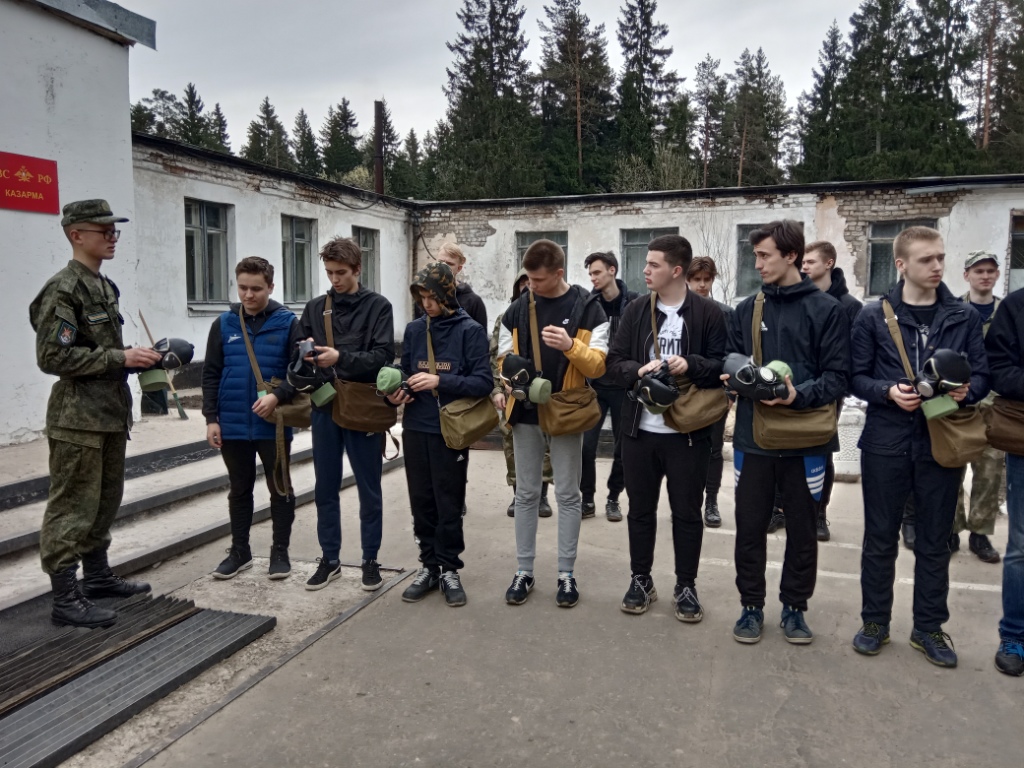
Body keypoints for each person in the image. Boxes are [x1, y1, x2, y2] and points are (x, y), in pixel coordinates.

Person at [850, 226, 988, 668]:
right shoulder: (873, 316)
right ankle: (875, 622)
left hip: (941, 442)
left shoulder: (964, 317)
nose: (937, 266)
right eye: (927, 259)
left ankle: (928, 628)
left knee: (934, 540)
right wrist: (887, 391)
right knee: (879, 538)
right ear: (902, 264)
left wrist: (967, 391)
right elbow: (856, 376)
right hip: (885, 442)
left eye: (941, 257)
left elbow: (983, 374)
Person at [29, 199, 162, 628]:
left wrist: (138, 358)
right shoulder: (64, 289)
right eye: (103, 231)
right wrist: (120, 357)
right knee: (72, 507)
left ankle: (98, 576)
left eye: (114, 230)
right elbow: (52, 357)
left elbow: (102, 351)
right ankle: (65, 598)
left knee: (104, 502)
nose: (112, 237)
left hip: (108, 413)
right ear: (76, 235)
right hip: (77, 420)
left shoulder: (104, 286)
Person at [724, 220, 850, 646]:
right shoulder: (746, 309)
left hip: (809, 441)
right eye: (755, 255)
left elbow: (838, 378)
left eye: (765, 255)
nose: (757, 264)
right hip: (752, 440)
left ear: (791, 255)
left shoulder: (827, 310)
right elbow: (728, 359)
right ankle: (751, 606)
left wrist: (796, 395)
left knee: (803, 530)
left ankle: (795, 608)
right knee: (749, 528)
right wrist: (732, 378)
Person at [607, 235, 726, 620]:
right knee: (640, 510)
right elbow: (614, 362)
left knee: (687, 513)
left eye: (653, 264)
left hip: (688, 433)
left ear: (676, 270)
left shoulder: (708, 313)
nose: (645, 270)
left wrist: (690, 364)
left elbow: (722, 366)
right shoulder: (636, 310)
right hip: (640, 431)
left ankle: (686, 585)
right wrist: (637, 370)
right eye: (646, 263)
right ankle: (641, 579)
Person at [496, 239, 609, 607]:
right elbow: (501, 355)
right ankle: (524, 571)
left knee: (568, 495)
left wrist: (569, 346)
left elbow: (598, 366)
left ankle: (566, 575)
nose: (531, 286)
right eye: (528, 279)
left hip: (566, 411)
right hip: (525, 412)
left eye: (539, 280)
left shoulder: (589, 309)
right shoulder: (518, 308)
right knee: (526, 494)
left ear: (559, 273)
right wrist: (509, 378)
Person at [389, 262, 492, 606]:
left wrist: (440, 380)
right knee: (421, 501)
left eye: (432, 297)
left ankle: (449, 569)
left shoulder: (470, 330)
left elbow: (483, 382)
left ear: (447, 293)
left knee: (449, 501)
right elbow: (406, 371)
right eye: (421, 297)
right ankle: (429, 566)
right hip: (416, 425)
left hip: (452, 430)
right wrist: (398, 391)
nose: (427, 304)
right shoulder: (415, 330)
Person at [298, 236, 395, 592]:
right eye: (329, 272)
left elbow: (383, 357)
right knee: (325, 487)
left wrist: (340, 357)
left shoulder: (378, 306)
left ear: (357, 269)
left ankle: (370, 560)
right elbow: (298, 355)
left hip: (363, 407)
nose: (335, 279)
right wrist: (304, 359)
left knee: (369, 488)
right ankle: (330, 559)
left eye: (341, 272)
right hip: (324, 406)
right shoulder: (314, 308)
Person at [202, 257, 301, 581]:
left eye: (256, 289)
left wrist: (278, 395)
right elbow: (211, 373)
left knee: (280, 488)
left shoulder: (288, 323)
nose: (248, 295)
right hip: (232, 423)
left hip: (274, 424)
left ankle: (280, 552)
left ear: (270, 287)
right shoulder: (224, 324)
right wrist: (211, 418)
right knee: (239, 489)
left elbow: (300, 371)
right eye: (242, 287)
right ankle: (239, 552)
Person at [800, 240, 863, 542]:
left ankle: (818, 513)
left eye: (810, 261)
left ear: (829, 263)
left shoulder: (850, 307)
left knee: (821, 451)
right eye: (802, 262)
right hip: (795, 387)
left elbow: (851, 357)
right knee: (784, 448)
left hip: (828, 392)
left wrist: (836, 386)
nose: (804, 266)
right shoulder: (798, 300)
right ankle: (780, 509)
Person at [953, 251, 1003, 564]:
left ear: (997, 275)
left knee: (990, 469)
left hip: (996, 403)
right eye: (978, 271)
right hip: (958, 400)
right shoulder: (953, 309)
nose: (984, 276)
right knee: (952, 466)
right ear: (967, 275)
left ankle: (980, 533)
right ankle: (951, 529)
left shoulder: (1007, 311)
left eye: (989, 271)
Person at [490, 269, 553, 518]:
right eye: (523, 283)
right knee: (512, 443)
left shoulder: (551, 315)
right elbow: (495, 357)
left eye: (532, 281)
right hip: (512, 392)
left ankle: (542, 496)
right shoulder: (506, 317)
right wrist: (498, 389)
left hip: (542, 391)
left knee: (544, 442)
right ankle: (519, 494)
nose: (527, 286)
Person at [984, 284, 1024, 676]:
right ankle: (1014, 635)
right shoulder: (1016, 306)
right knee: (1021, 546)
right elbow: (998, 368)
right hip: (1023, 438)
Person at [581, 251, 637, 522]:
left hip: (624, 387)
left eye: (597, 272)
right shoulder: (589, 304)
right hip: (595, 387)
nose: (593, 278)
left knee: (623, 449)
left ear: (612, 270)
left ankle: (613, 498)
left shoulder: (634, 302)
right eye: (590, 274)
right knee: (586, 447)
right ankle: (587, 498)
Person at [686, 256, 734, 529]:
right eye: (697, 280)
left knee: (714, 449)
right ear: (688, 280)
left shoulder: (725, 313)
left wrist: (730, 393)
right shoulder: (677, 313)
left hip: (716, 390)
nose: (702, 285)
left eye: (706, 279)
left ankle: (711, 502)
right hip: (685, 392)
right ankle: (688, 501)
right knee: (685, 449)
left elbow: (733, 355)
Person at [414, 242, 487, 329]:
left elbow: (480, 335)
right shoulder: (424, 298)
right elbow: (417, 332)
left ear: (459, 268)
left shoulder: (474, 302)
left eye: (449, 264)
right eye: (440, 262)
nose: (443, 267)